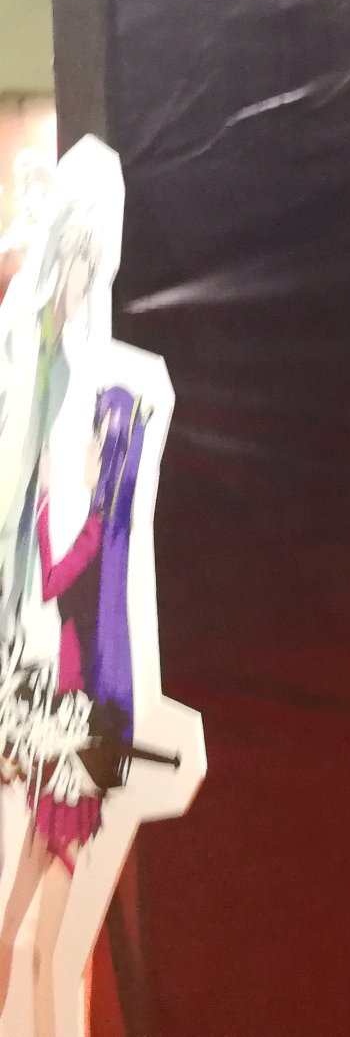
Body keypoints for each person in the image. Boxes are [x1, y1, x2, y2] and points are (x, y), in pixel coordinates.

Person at [0, 388, 140, 1036]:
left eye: (95, 442)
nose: (86, 449)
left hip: (69, 767)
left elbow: (53, 578)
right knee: (19, 938)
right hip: (61, 760)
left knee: (41, 951)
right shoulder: (105, 542)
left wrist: (50, 495)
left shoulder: (98, 538)